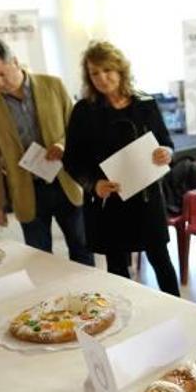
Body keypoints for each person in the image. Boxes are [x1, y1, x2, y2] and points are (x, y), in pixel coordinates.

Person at [65, 41, 180, 296]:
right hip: (109, 203)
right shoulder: (84, 111)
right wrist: (93, 184)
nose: (102, 78)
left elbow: (166, 143)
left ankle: (181, 315)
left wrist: (167, 153)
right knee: (117, 269)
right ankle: (128, 322)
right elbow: (72, 160)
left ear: (120, 70)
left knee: (161, 261)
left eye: (107, 70)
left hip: (147, 199)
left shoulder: (144, 103)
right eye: (95, 73)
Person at [0, 39, 94, 265]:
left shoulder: (53, 85)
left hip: (65, 181)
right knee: (39, 258)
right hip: (27, 189)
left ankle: (90, 298)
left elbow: (77, 130)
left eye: (1, 74)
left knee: (82, 248)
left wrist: (62, 145)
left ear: (15, 62)